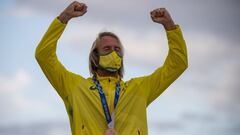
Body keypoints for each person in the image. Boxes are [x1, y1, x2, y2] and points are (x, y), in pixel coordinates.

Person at [35, 1, 188, 135]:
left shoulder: (139, 88)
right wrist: (64, 18)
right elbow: (44, 55)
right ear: (95, 57)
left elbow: (178, 64)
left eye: (117, 49)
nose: (114, 53)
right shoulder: (75, 87)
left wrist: (170, 27)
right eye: (107, 49)